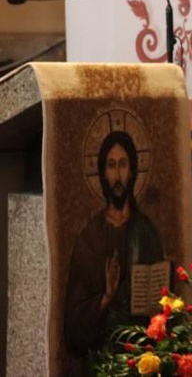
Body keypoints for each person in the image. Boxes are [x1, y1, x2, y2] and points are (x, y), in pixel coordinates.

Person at [65, 130, 164, 357]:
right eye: (111, 166)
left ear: (132, 172)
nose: (117, 176)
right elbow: (73, 326)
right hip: (103, 356)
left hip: (143, 353)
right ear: (102, 173)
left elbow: (164, 301)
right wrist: (106, 298)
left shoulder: (146, 232)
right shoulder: (89, 238)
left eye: (123, 164)